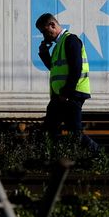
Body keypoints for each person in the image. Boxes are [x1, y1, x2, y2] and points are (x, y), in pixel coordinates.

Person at [35, 13, 99, 153]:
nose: (44, 35)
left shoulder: (71, 40)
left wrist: (66, 92)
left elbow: (76, 68)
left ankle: (99, 155)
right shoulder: (60, 44)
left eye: (44, 31)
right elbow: (55, 68)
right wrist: (44, 53)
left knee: (74, 133)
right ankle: (54, 158)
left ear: (53, 25)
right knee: (50, 130)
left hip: (71, 94)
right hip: (62, 95)